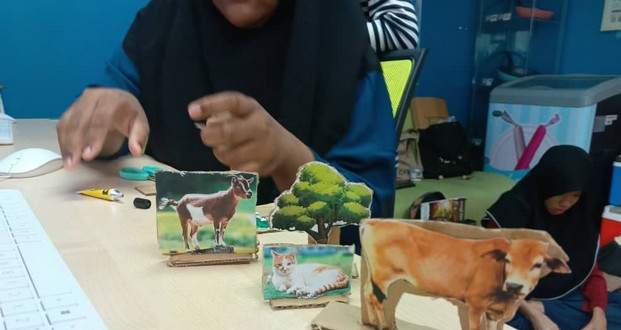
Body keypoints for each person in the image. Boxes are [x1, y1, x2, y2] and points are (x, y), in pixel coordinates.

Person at [56, 0, 397, 220]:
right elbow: (102, 119)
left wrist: (288, 160)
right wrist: (107, 127)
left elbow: (373, 218)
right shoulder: (162, 21)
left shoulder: (340, 40)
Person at [484, 145, 621, 330]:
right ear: (548, 183)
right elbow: (491, 275)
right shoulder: (511, 210)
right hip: (509, 296)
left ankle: (546, 314)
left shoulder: (580, 214)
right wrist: (533, 314)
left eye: (575, 195)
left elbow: (590, 273)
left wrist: (600, 319)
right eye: (560, 194)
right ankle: (539, 318)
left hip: (560, 297)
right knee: (495, 318)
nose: (566, 203)